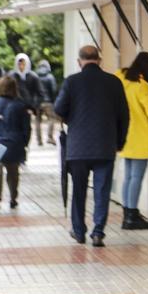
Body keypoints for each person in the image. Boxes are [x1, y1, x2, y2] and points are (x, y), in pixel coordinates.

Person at [53, 45, 130, 247]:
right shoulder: (114, 82)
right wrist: (120, 142)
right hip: (105, 146)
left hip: (77, 148)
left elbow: (59, 109)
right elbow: (124, 115)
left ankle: (78, 230)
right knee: (102, 191)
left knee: (78, 191)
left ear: (79, 61)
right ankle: (98, 232)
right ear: (99, 60)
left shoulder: (72, 82)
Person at [117, 51, 148, 230]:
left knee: (128, 176)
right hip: (140, 136)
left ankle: (127, 212)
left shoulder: (120, 78)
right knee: (136, 177)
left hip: (124, 135)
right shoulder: (141, 85)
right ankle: (132, 215)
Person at [0, 77, 31, 211]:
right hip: (14, 144)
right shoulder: (20, 106)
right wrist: (24, 143)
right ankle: (13, 198)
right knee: (13, 173)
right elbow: (26, 128)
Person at [8, 54, 44, 145]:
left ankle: (24, 145)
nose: (21, 66)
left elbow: (40, 93)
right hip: (13, 106)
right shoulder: (11, 76)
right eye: (19, 64)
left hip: (27, 108)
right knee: (13, 127)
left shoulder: (33, 76)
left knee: (26, 128)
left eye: (23, 64)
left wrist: (33, 107)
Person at [35, 60, 58, 145]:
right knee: (51, 119)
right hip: (48, 101)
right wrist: (53, 100)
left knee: (37, 121)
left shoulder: (35, 76)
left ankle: (39, 140)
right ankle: (50, 137)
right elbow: (54, 89)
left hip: (38, 102)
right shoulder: (50, 77)